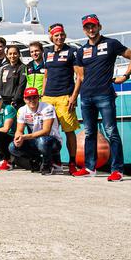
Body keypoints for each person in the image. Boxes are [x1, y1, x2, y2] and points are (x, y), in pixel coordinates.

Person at [72, 14, 131, 181]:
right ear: (84, 29)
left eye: (93, 26)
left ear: (99, 27)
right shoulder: (81, 51)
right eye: (87, 27)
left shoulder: (111, 44)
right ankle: (89, 167)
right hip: (86, 97)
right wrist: (75, 96)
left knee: (111, 132)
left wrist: (125, 76)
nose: (91, 29)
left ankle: (117, 170)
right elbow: (80, 77)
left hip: (104, 95)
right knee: (89, 133)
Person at [42, 23, 83, 174]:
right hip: (48, 98)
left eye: (62, 34)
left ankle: (72, 162)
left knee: (69, 131)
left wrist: (74, 96)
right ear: (51, 37)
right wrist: (43, 96)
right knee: (48, 131)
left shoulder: (73, 51)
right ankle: (54, 161)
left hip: (65, 96)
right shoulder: (47, 53)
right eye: (56, 35)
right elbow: (46, 76)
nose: (59, 37)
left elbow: (79, 76)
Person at [9, 87, 63, 175]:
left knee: (42, 141)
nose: (32, 100)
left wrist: (24, 137)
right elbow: (19, 130)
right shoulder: (22, 110)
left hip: (52, 141)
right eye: (28, 98)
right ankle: (36, 160)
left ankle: (48, 164)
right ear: (24, 99)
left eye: (34, 97)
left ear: (38, 97)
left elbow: (46, 131)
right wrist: (17, 138)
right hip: (34, 140)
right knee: (12, 147)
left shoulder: (48, 108)